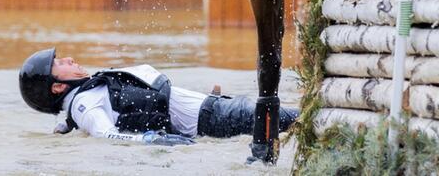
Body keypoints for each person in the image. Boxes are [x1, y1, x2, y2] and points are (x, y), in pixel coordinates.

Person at [19, 48, 298, 146]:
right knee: (299, 118)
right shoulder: (84, 105)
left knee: (292, 120)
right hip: (211, 117)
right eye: (60, 63)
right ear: (57, 86)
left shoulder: (84, 97)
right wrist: (152, 139)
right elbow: (106, 134)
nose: (68, 58)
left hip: (212, 108)